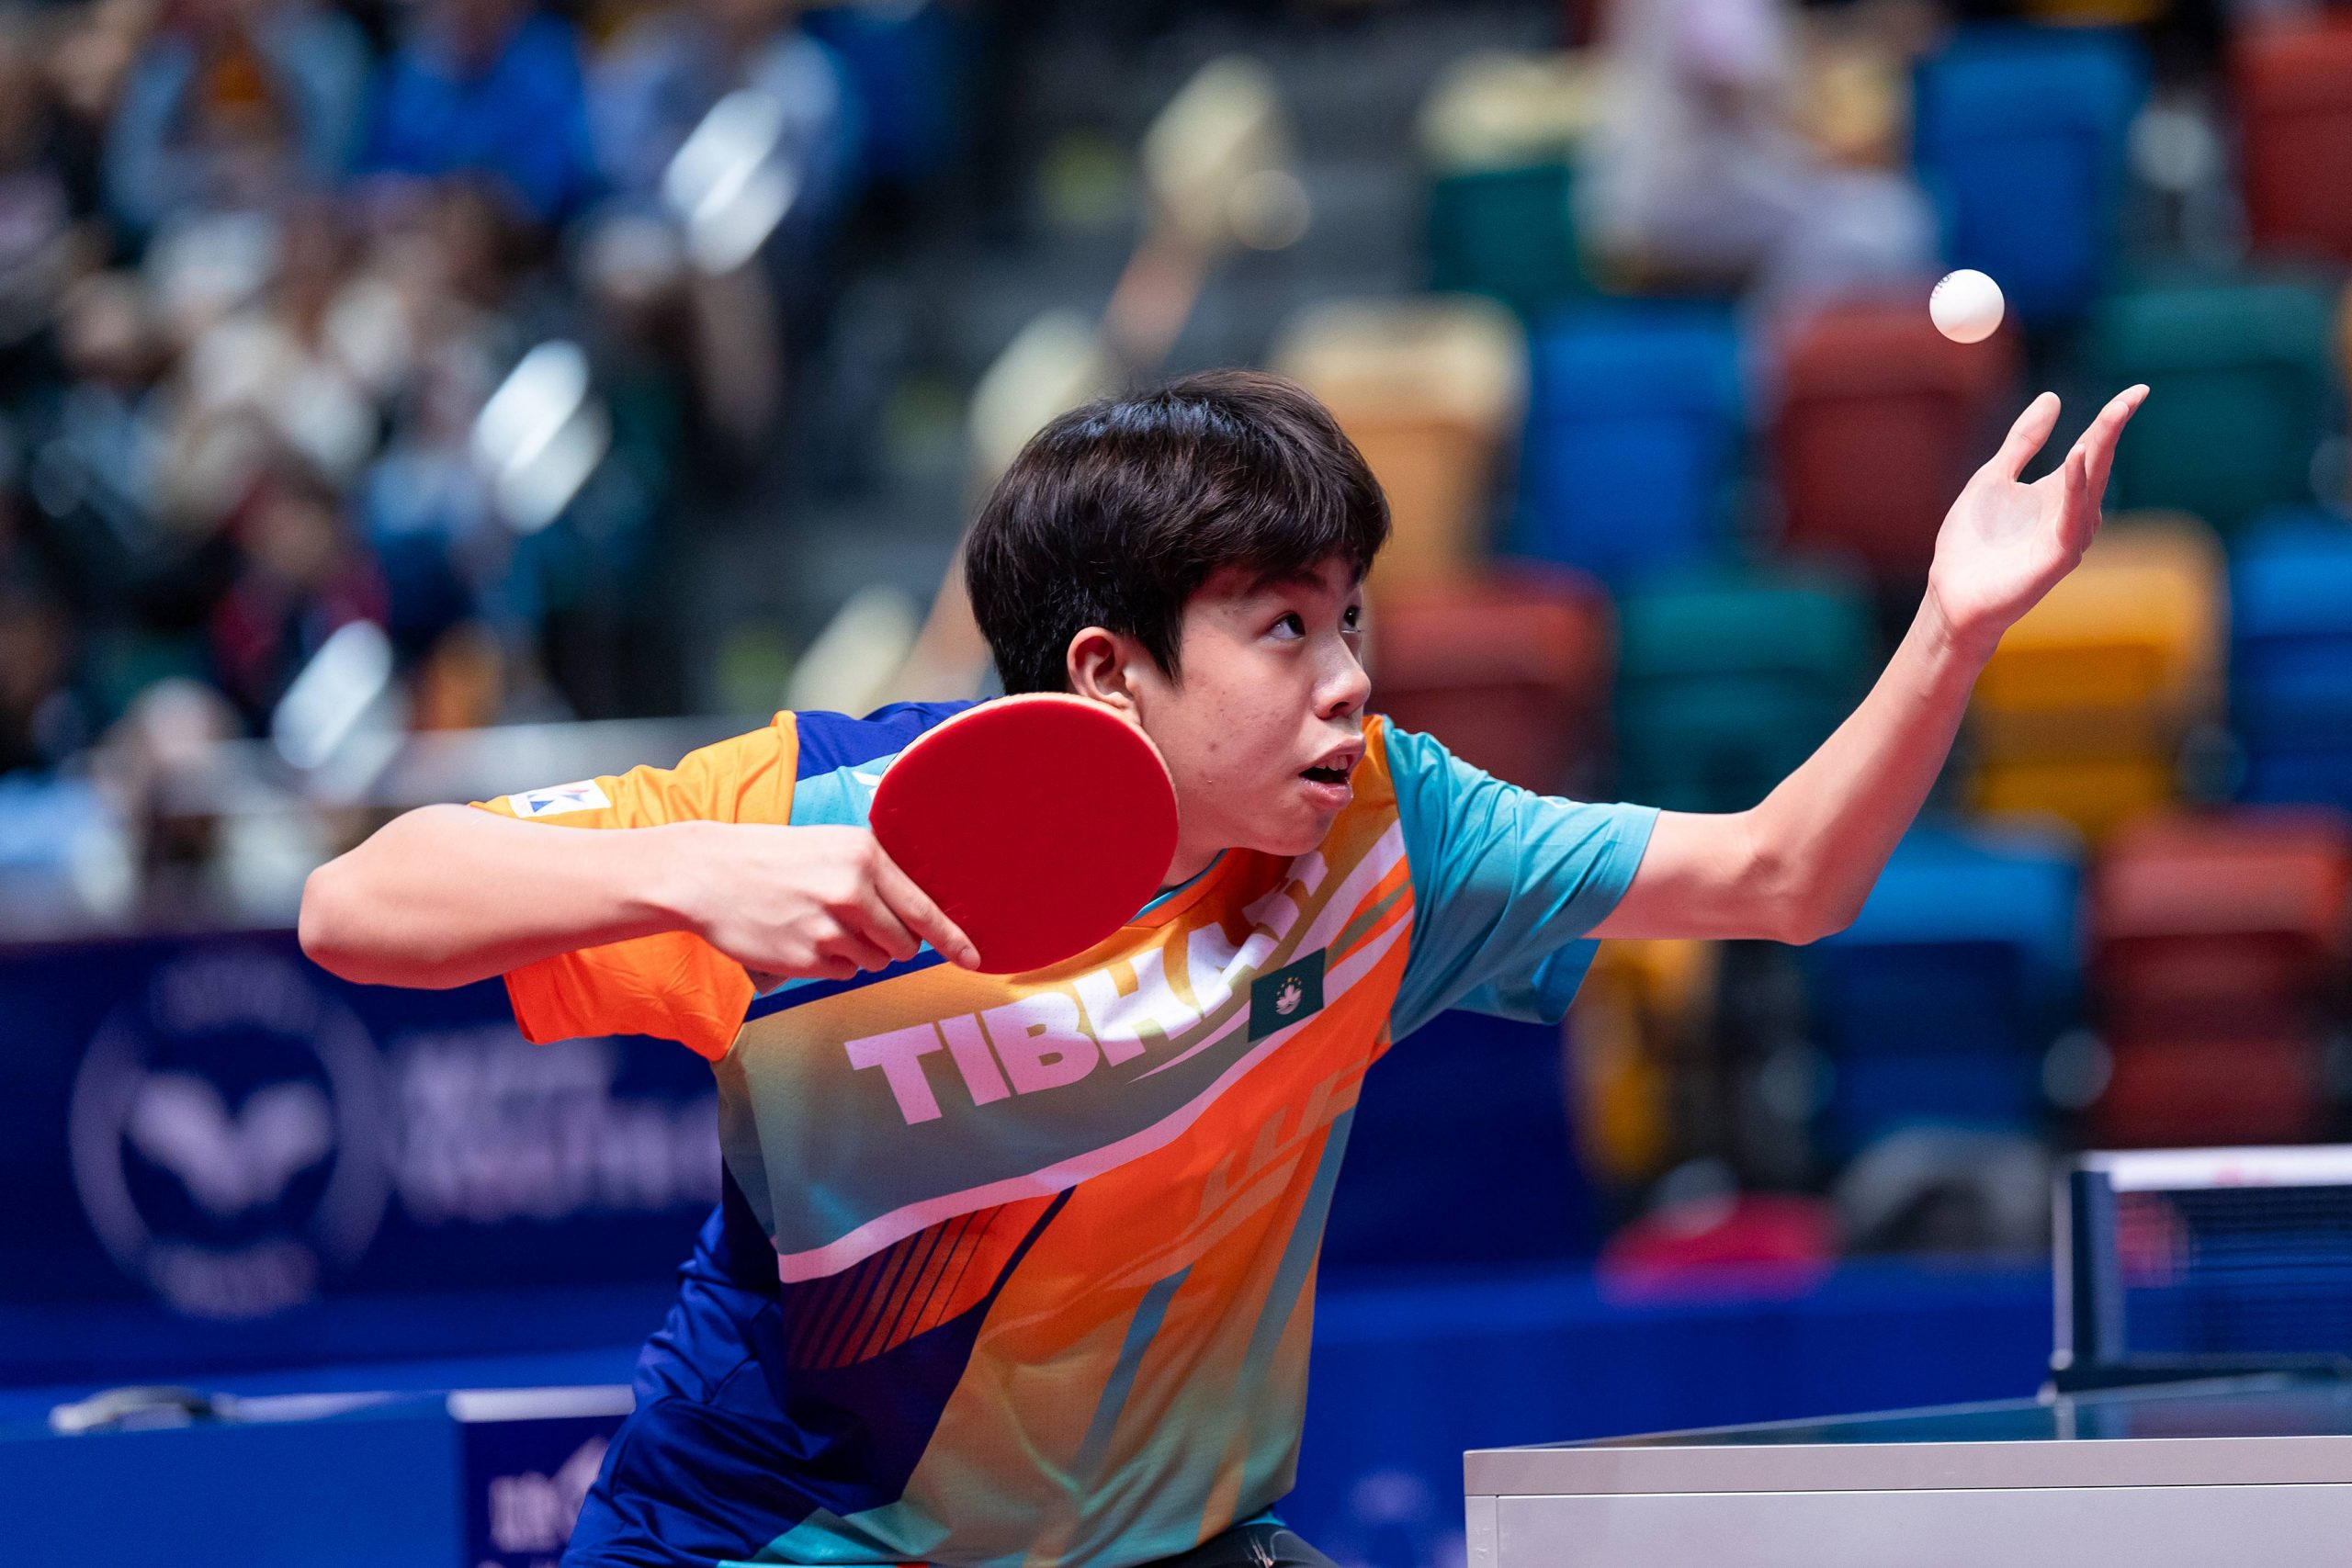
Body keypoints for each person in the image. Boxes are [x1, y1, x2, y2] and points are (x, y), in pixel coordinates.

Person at [298, 368, 2145, 1567]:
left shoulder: (1387, 837)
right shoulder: (822, 813)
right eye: (1281, 628)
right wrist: (704, 872)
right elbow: (359, 899)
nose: (1349, 677)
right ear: (1109, 672)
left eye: (1348, 617)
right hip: (779, 1540)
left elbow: (1783, 875)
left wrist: (1951, 626)